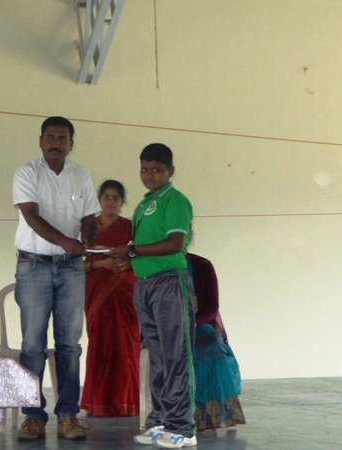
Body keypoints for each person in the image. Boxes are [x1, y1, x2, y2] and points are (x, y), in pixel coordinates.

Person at [12, 116, 99, 441]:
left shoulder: (81, 175)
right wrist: (67, 242)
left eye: (62, 138)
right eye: (50, 137)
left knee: (69, 346)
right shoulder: (26, 172)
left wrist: (88, 238)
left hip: (71, 268)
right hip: (33, 266)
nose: (55, 143)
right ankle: (33, 416)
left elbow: (89, 218)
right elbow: (31, 216)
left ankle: (68, 416)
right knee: (33, 345)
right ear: (40, 141)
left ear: (71, 144)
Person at [108, 143, 197, 448]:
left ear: (170, 171)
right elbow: (142, 247)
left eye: (157, 170)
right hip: (144, 284)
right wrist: (128, 260)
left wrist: (132, 251)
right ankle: (160, 420)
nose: (149, 175)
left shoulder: (175, 200)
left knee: (175, 355)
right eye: (145, 169)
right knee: (156, 356)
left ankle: (183, 428)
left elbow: (175, 244)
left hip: (170, 283)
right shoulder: (145, 203)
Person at [80, 180, 140, 417]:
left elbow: (141, 255)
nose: (111, 202)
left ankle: (127, 401)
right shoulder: (87, 227)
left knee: (126, 343)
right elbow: (75, 262)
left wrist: (127, 265)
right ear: (99, 200)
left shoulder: (131, 228)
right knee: (100, 343)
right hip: (96, 289)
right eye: (106, 196)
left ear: (122, 202)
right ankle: (99, 401)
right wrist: (101, 264)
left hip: (125, 290)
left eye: (116, 197)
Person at [186, 252, 246, 432]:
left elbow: (212, 308)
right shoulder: (157, 266)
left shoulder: (202, 266)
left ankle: (207, 415)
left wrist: (190, 323)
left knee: (208, 345)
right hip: (167, 328)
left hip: (198, 325)